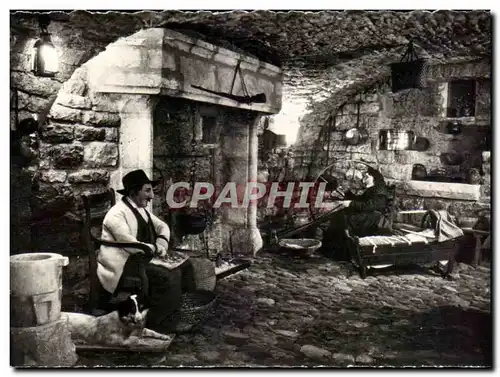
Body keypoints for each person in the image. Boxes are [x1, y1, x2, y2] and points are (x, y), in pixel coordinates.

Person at [97, 169, 195, 332]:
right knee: (168, 276)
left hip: (143, 257)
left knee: (186, 266)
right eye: (147, 191)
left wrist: (161, 244)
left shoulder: (141, 209)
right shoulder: (116, 214)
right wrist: (155, 249)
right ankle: (158, 322)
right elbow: (130, 245)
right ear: (134, 192)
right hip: (124, 265)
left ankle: (182, 313)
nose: (152, 196)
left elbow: (162, 226)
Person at [320, 166, 391, 260]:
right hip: (369, 215)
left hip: (377, 218)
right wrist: (348, 193)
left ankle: (343, 253)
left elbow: (370, 206)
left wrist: (350, 203)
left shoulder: (380, 190)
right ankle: (333, 250)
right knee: (340, 215)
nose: (364, 179)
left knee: (346, 218)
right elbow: (360, 201)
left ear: (373, 178)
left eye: (367, 177)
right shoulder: (373, 189)